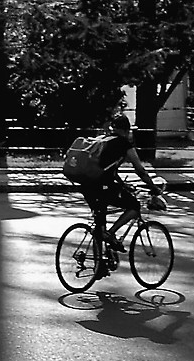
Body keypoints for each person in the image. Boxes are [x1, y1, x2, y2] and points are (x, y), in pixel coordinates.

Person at [62, 108, 160, 275]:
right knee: (134, 206)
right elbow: (140, 170)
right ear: (127, 130)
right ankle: (110, 234)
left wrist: (122, 184)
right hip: (100, 186)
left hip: (86, 184)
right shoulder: (124, 144)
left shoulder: (103, 140)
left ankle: (99, 265)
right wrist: (153, 186)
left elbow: (107, 168)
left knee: (99, 222)